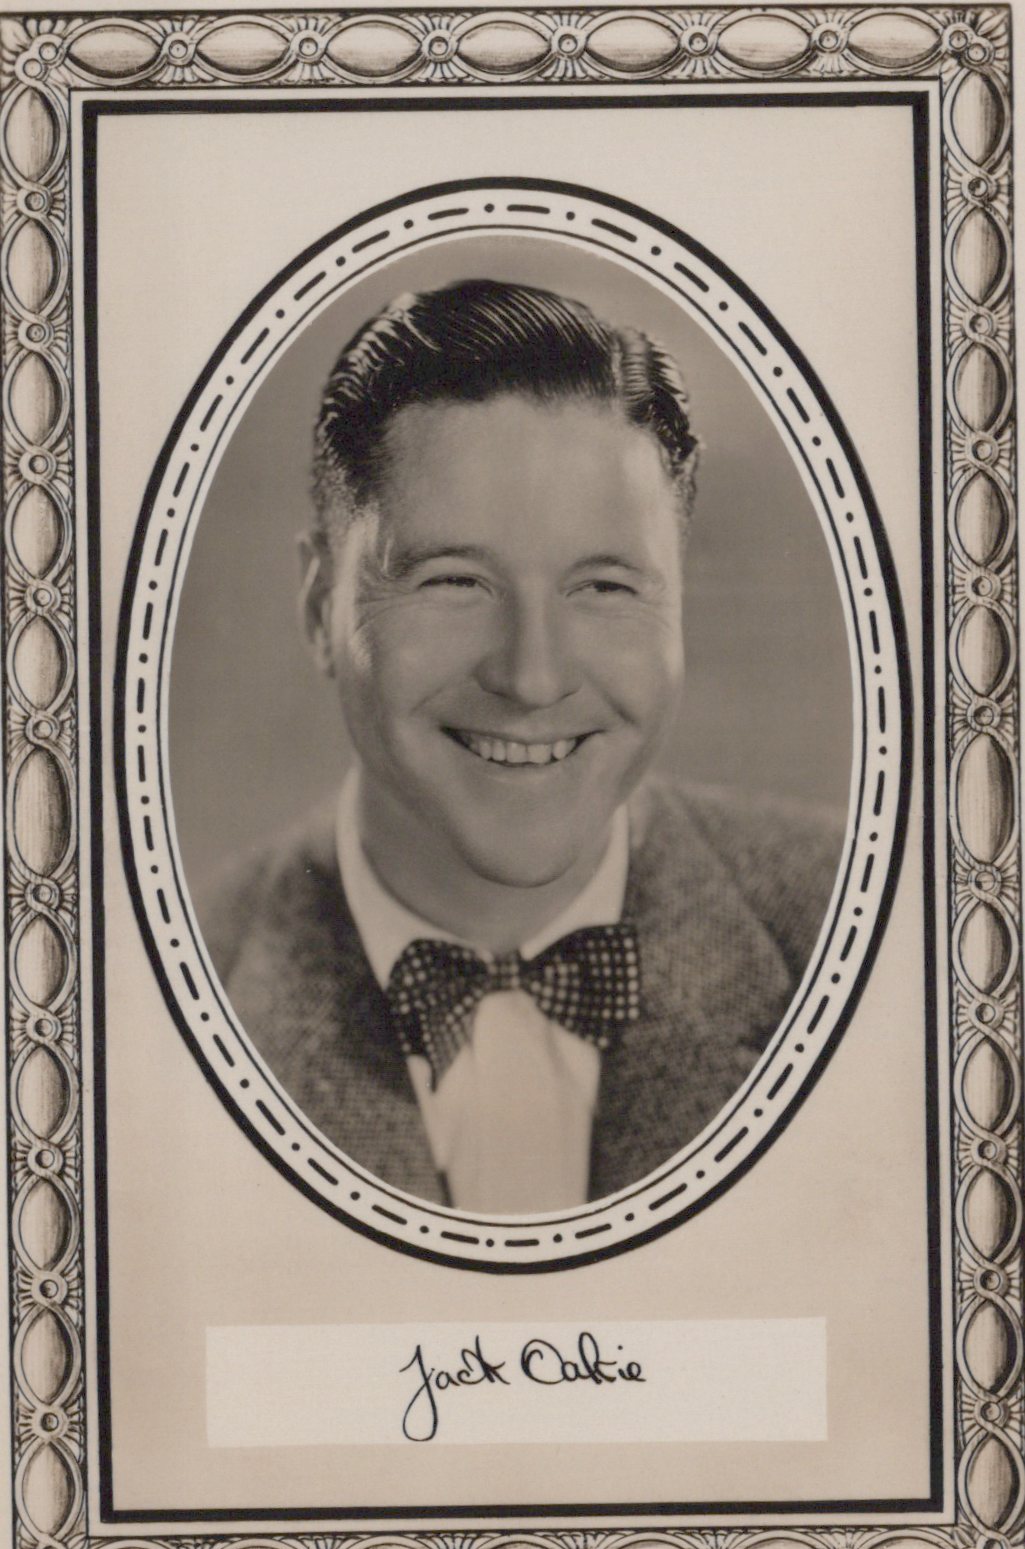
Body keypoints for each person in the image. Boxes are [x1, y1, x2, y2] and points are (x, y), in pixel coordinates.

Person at [203, 279, 841, 1214]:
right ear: (317, 606)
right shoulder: (150, 991)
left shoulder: (868, 932)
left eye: (604, 587)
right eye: (454, 581)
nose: (532, 677)